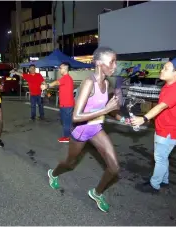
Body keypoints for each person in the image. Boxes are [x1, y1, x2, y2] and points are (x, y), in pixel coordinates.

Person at [47, 47, 121, 213]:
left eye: (115, 61)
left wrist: (123, 118)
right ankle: (53, 173)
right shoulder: (89, 83)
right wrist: (105, 111)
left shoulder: (107, 83)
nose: (115, 66)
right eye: (112, 62)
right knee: (70, 163)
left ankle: (96, 193)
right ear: (99, 63)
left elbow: (109, 108)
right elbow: (76, 116)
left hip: (96, 129)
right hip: (82, 130)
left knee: (114, 168)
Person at [131, 58, 176, 193]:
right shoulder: (169, 85)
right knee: (163, 157)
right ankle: (163, 180)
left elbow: (161, 106)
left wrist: (144, 118)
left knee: (160, 158)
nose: (161, 70)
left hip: (169, 130)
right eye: (163, 67)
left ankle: (154, 185)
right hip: (164, 127)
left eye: (166, 68)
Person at [41, 62, 74, 143]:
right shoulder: (66, 78)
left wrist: (47, 86)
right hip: (65, 104)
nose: (59, 69)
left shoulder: (66, 78)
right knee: (65, 121)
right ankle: (70, 134)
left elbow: (56, 82)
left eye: (61, 68)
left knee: (66, 122)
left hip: (67, 105)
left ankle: (66, 137)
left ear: (65, 69)